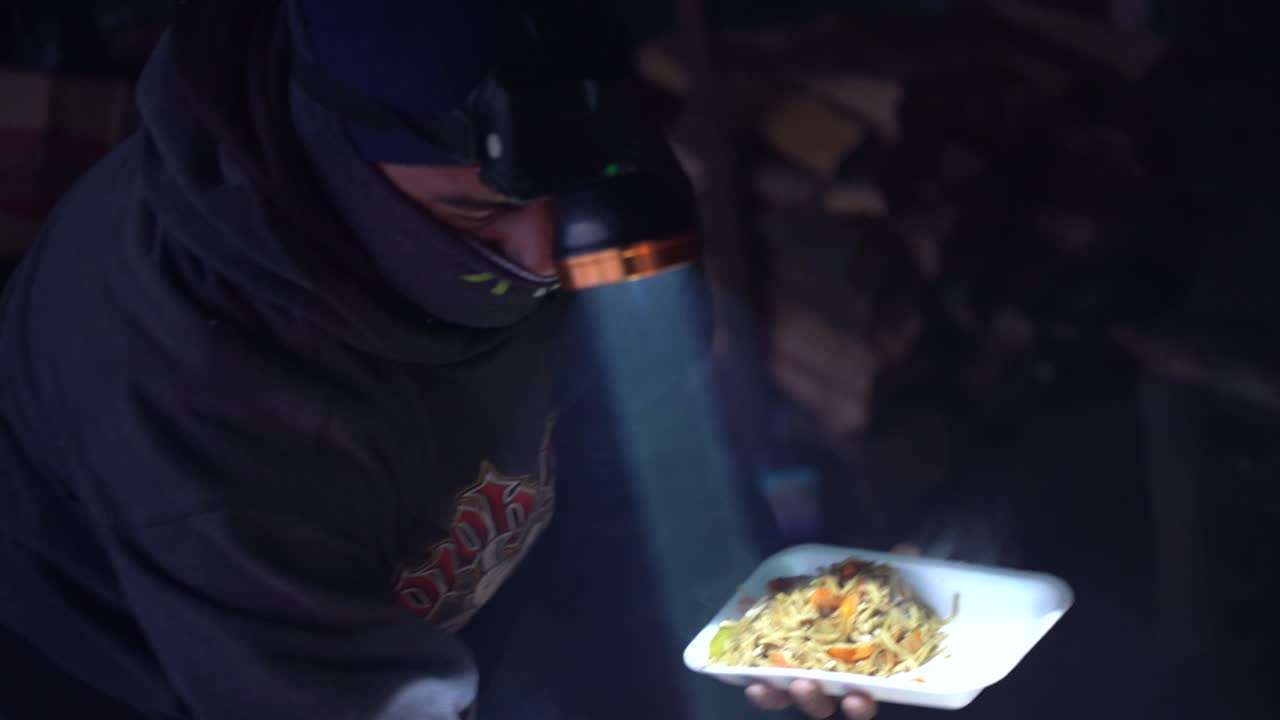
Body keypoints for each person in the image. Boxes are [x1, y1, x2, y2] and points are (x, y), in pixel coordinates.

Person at [0, 1, 881, 718]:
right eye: (475, 216)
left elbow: (635, 465)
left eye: (565, 198)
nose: (543, 258)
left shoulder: (588, 199)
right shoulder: (179, 359)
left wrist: (737, 615)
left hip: (458, 605)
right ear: (332, 152)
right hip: (170, 673)